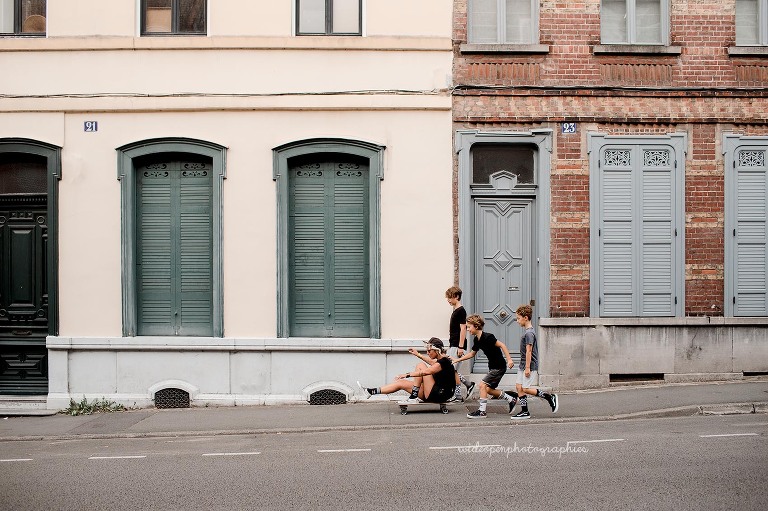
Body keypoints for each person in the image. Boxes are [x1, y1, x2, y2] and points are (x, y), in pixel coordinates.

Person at [451, 314, 517, 418]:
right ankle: (510, 399)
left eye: (469, 327)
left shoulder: (488, 337)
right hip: (493, 367)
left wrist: (509, 359)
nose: (467, 329)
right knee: (488, 390)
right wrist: (457, 360)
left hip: (499, 367)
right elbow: (472, 354)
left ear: (476, 326)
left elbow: (502, 345)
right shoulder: (477, 340)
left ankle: (482, 411)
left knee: (482, 385)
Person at [358, 338, 457, 403]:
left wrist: (407, 374)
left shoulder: (445, 361)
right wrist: (417, 354)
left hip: (440, 394)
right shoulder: (440, 361)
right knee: (401, 383)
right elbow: (431, 362)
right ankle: (370, 391)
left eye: (429, 351)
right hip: (434, 392)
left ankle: (413, 397)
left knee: (421, 366)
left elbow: (426, 372)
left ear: (436, 350)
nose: (427, 353)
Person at [507, 304, 558, 419]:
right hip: (523, 364)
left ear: (525, 318)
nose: (517, 321)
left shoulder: (529, 333)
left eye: (518, 318)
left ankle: (549, 397)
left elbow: (529, 351)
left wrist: (527, 368)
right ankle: (525, 411)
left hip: (529, 365)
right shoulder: (528, 332)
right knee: (519, 387)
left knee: (525, 388)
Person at [445, 286, 475, 401]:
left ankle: (457, 395)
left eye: (450, 297)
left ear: (457, 297)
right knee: (451, 369)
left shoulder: (461, 311)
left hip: (457, 345)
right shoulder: (456, 310)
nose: (448, 300)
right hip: (453, 344)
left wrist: (460, 347)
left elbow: (463, 329)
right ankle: (467, 385)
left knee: (451, 370)